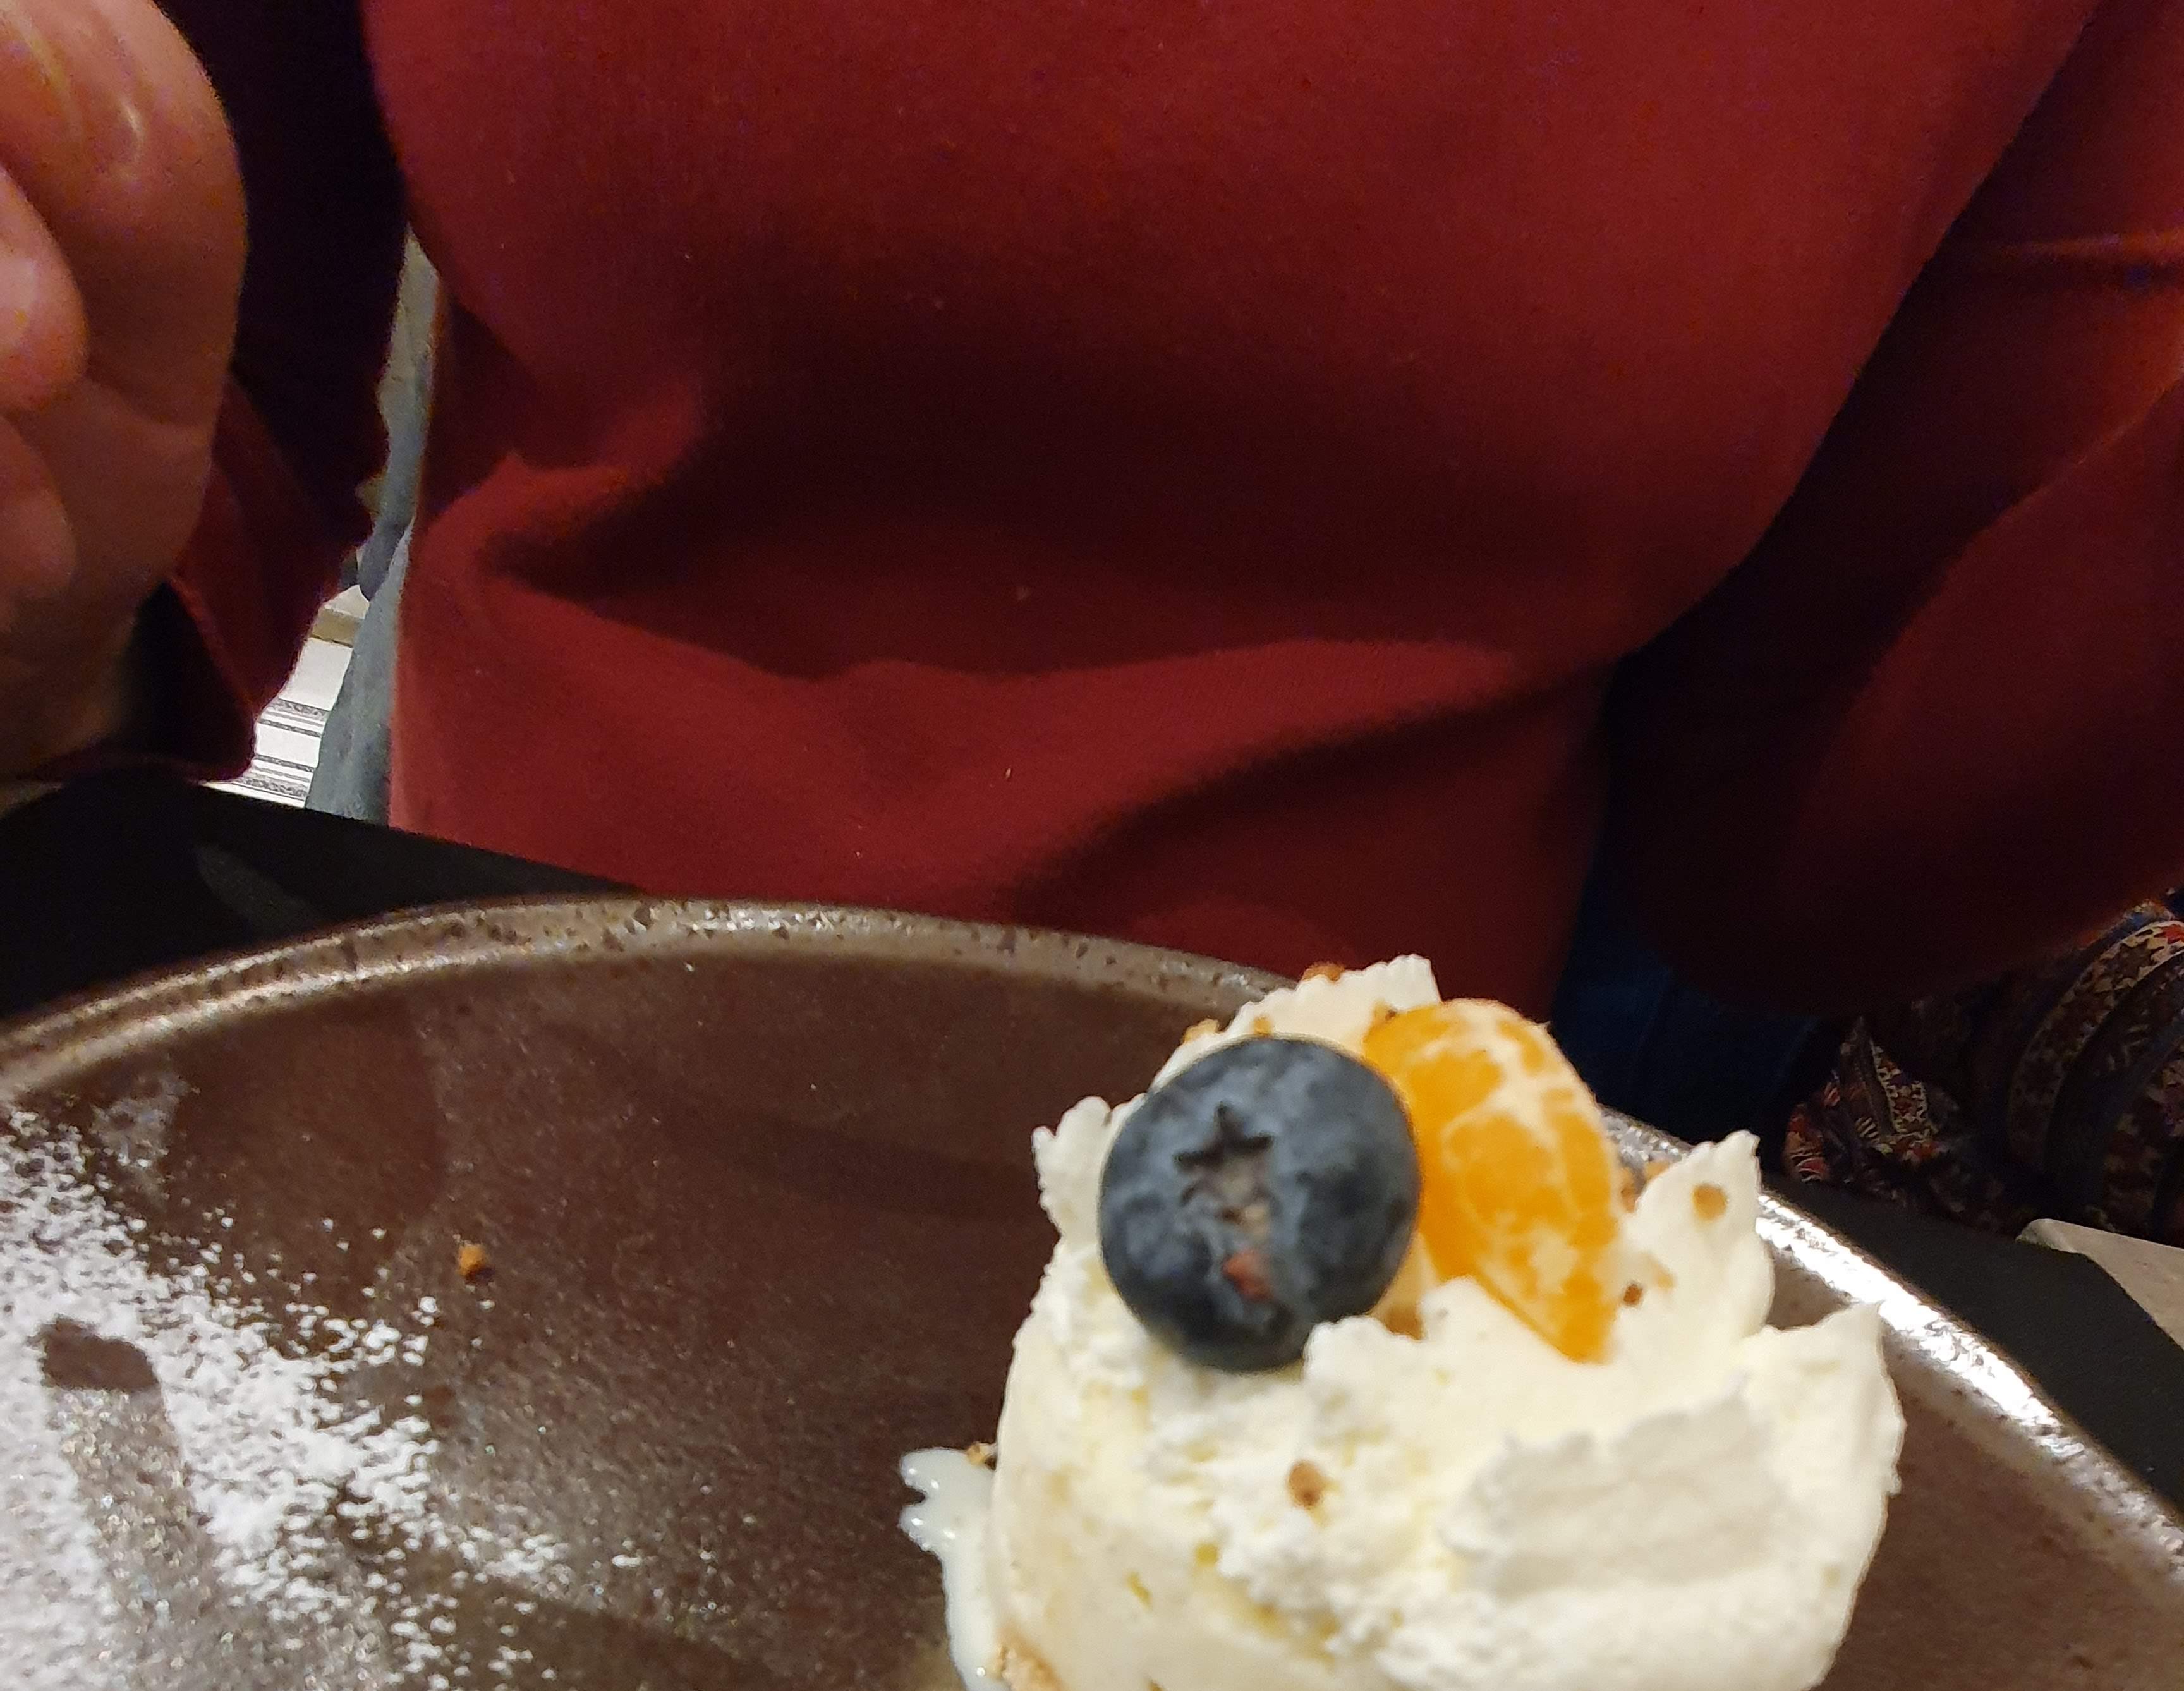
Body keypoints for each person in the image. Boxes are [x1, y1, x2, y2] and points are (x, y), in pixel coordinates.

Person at [4, 0, 2184, 1063]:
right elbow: (211, 379)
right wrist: (57, 617)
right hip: (474, 1104)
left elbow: (1789, 824)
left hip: (1338, 1355)